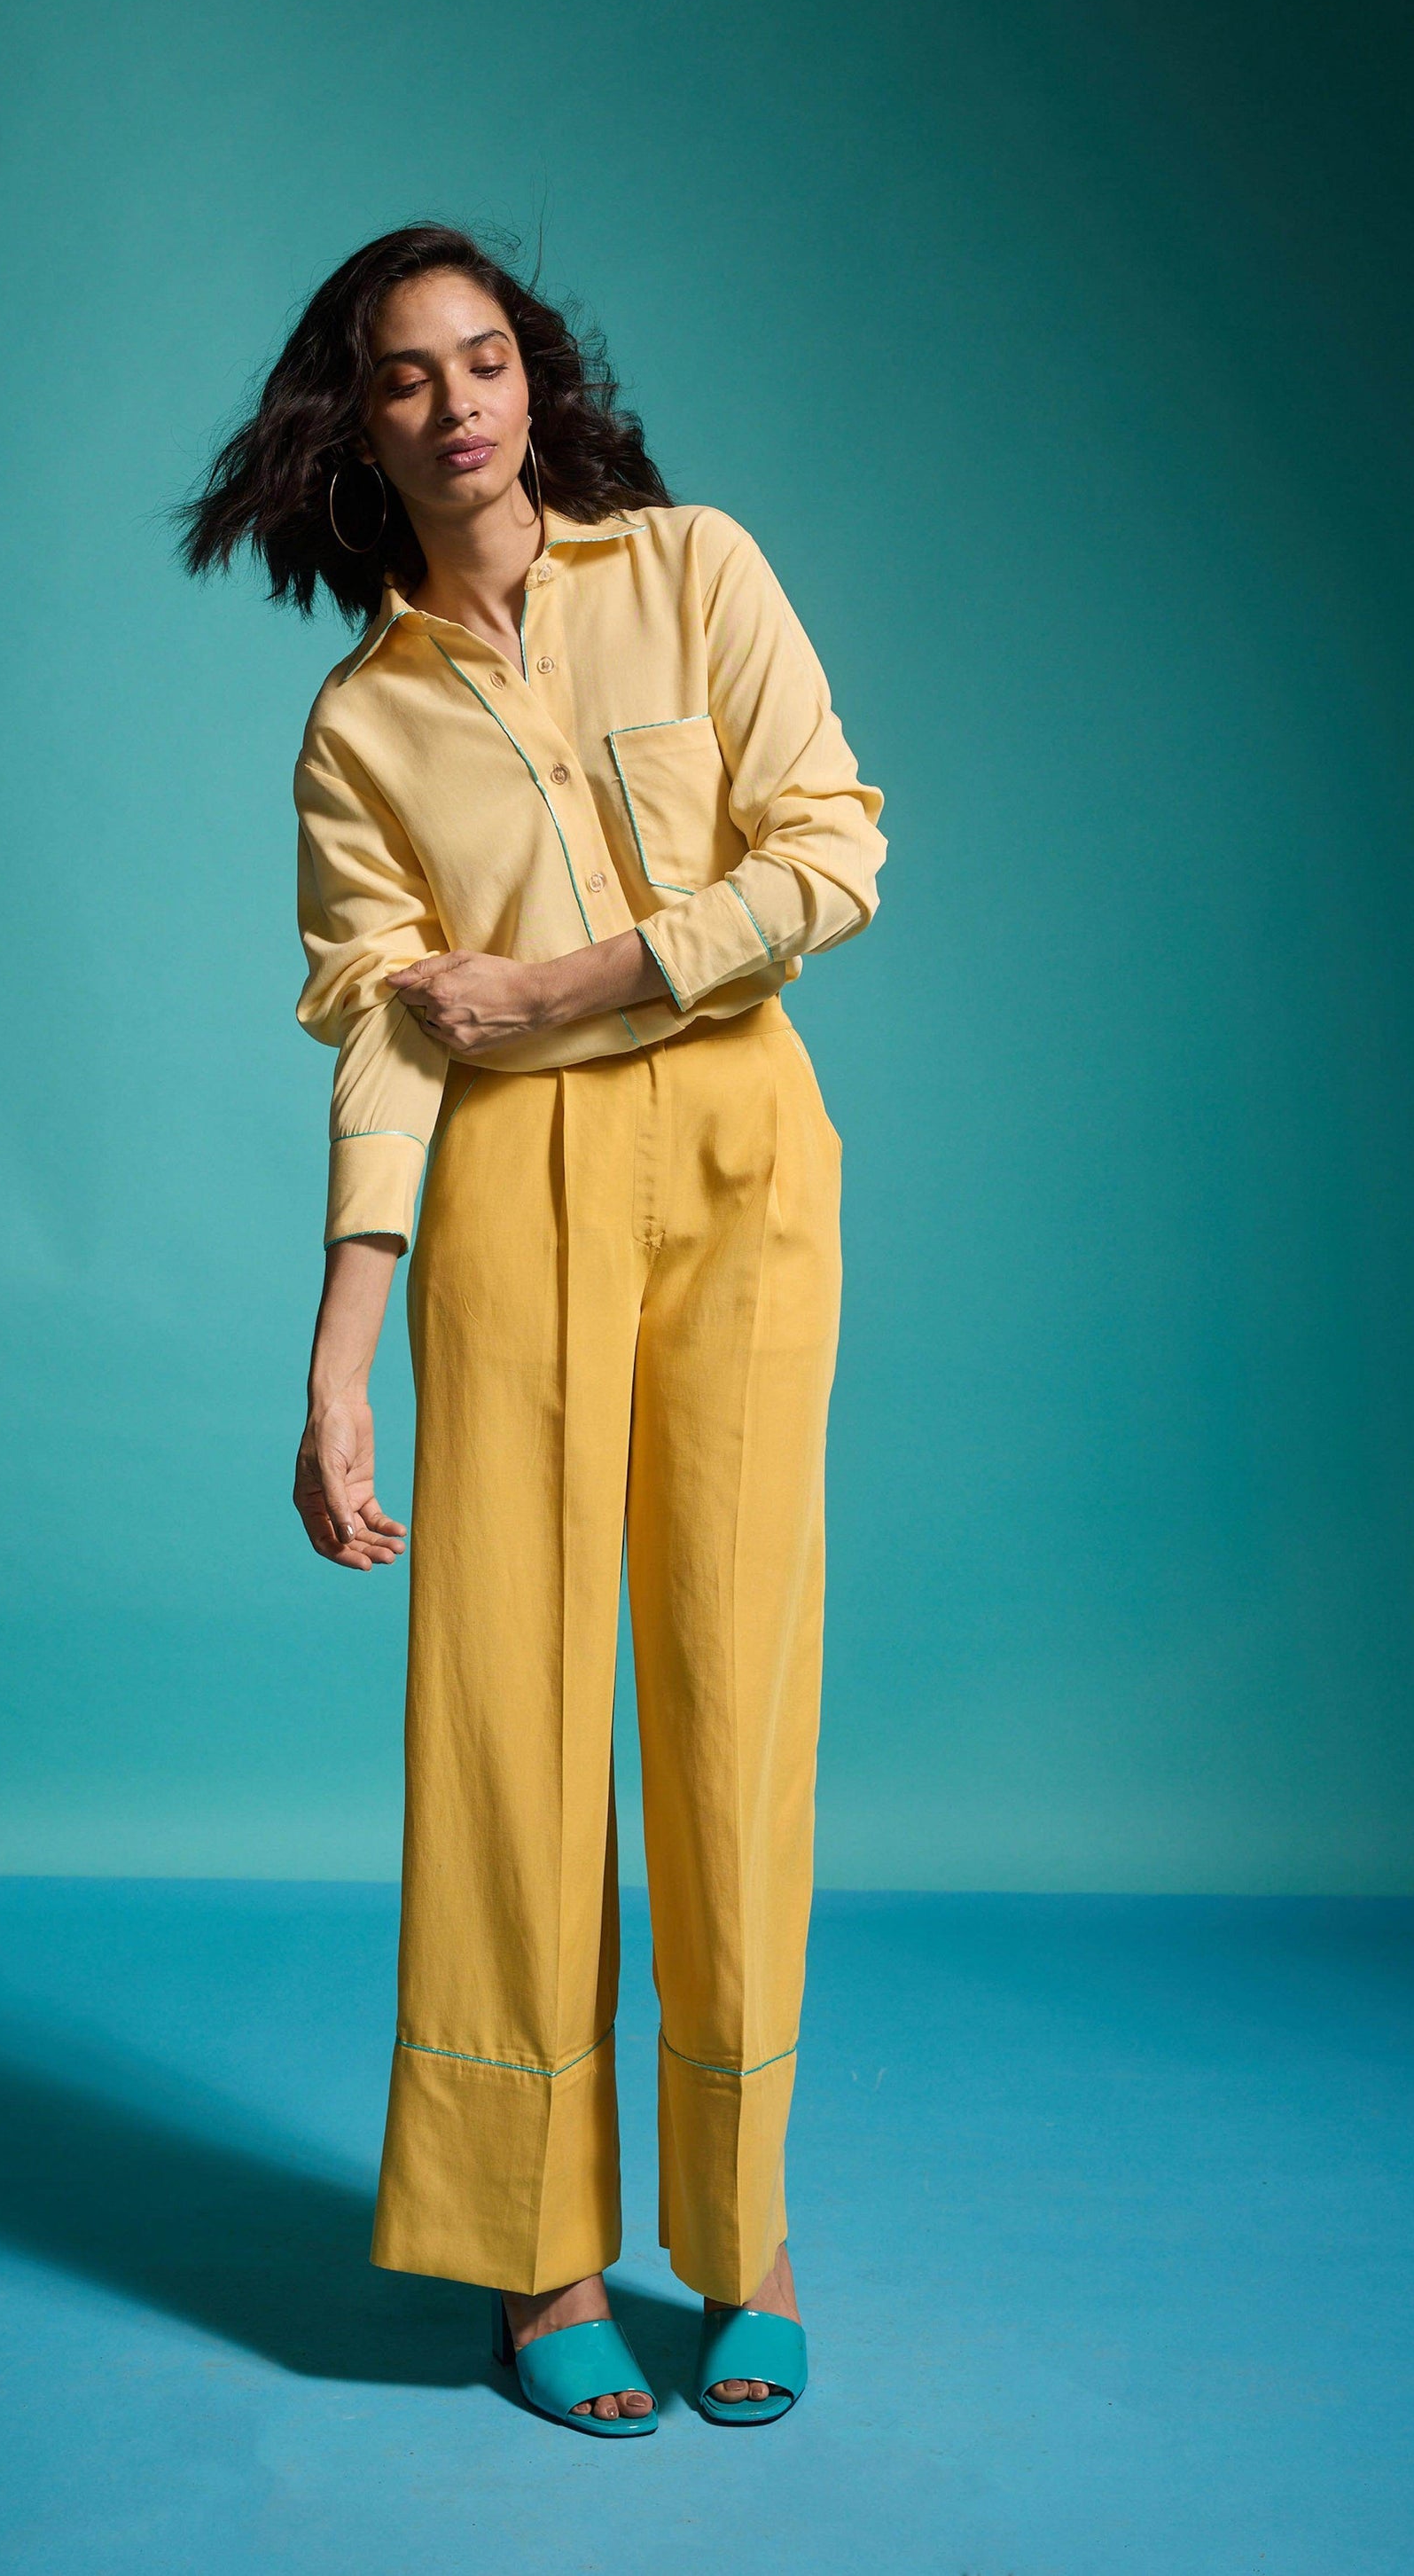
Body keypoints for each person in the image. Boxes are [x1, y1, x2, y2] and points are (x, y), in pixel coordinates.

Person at [181, 223, 886, 2435]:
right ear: (356, 425)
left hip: (743, 1162)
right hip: (511, 1194)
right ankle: (534, 2250)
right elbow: (389, 1042)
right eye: (407, 374)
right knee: (508, 1710)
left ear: (534, 380)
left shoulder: (693, 570)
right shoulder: (362, 724)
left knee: (733, 1689)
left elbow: (829, 856)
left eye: (484, 357)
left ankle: (745, 2229)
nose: (457, 400)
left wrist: (569, 979)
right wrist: (335, 1356)